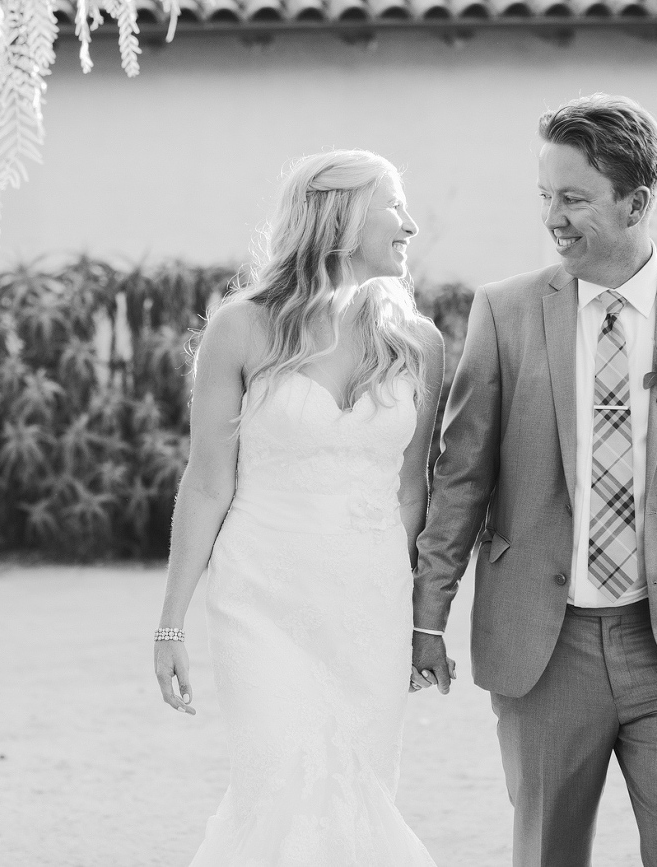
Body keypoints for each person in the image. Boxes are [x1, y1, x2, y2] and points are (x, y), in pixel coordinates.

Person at [410, 94, 657, 867]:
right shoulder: (502, 313)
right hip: (545, 647)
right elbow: (461, 477)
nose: (553, 217)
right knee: (548, 855)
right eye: (545, 196)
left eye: (573, 198)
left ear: (635, 201)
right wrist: (427, 616)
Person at [154, 148, 446, 865]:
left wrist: (417, 617)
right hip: (263, 598)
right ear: (342, 218)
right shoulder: (241, 328)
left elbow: (414, 491)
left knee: (359, 788)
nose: (409, 223)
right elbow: (207, 482)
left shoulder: (419, 343)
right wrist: (170, 624)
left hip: (367, 604)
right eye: (395, 204)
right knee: (280, 781)